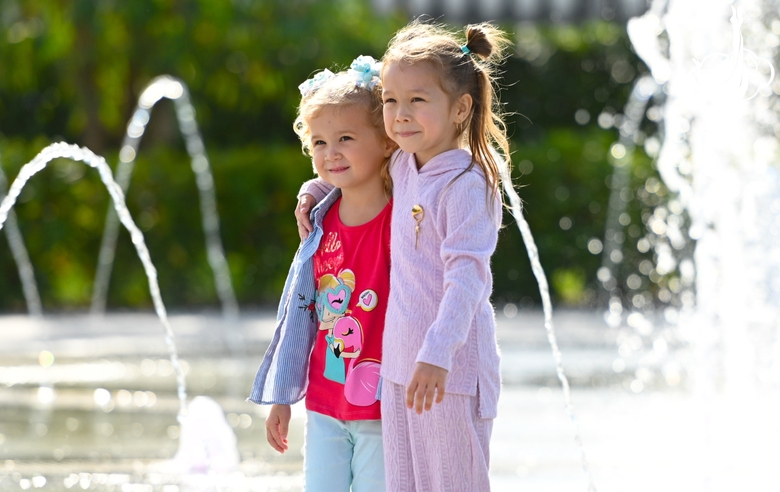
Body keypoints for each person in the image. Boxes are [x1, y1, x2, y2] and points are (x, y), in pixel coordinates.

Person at [295, 20, 512, 492]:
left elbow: (467, 279)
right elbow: (352, 169)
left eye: (418, 100)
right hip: (398, 367)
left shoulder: (466, 184)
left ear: (460, 108)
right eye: (391, 100)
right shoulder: (402, 165)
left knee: (454, 483)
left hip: (449, 371)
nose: (400, 113)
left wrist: (438, 354)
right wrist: (313, 192)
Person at [248, 56, 396, 492]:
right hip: (326, 402)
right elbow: (302, 317)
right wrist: (282, 397)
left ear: (387, 140)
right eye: (319, 143)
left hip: (383, 408)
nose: (331, 153)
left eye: (346, 138)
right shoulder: (319, 223)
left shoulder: (403, 214)